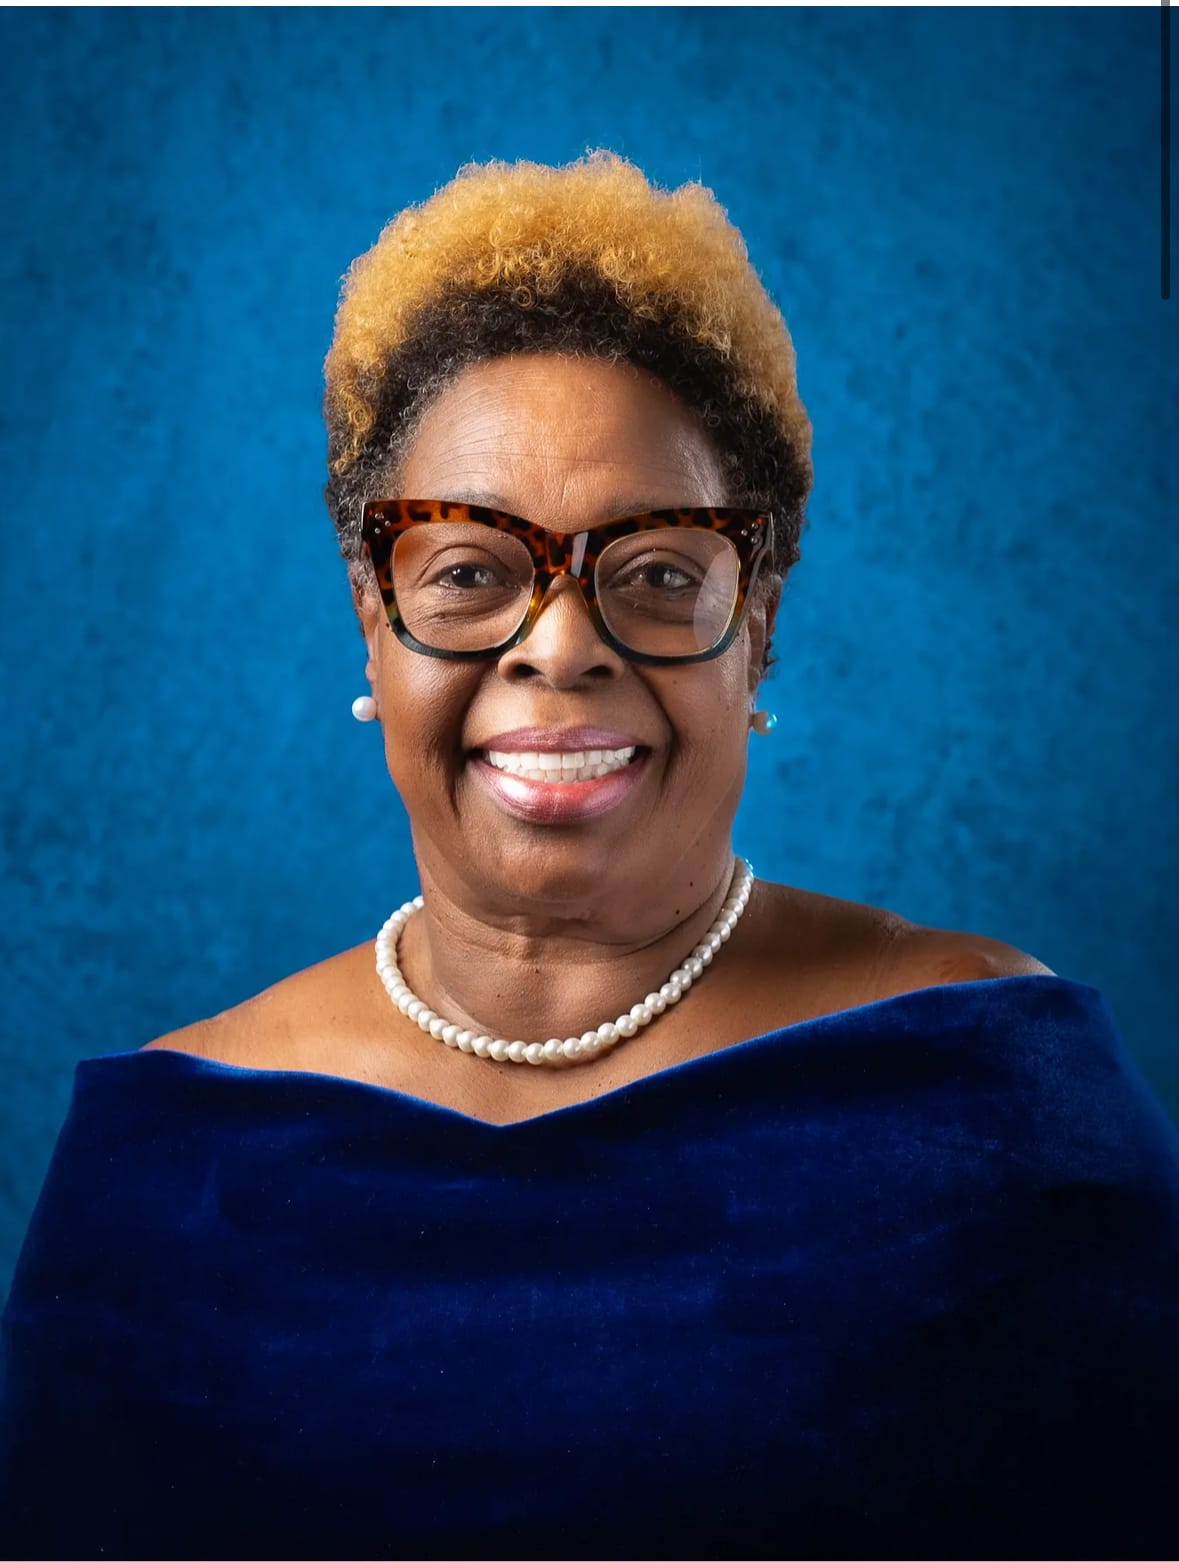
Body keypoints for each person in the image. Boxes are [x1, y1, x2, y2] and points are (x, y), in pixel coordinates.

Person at [3, 152, 1177, 1560]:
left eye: (660, 574)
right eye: (468, 573)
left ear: (759, 630)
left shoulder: (993, 1091)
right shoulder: (161, 1164)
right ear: (372, 623)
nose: (559, 647)